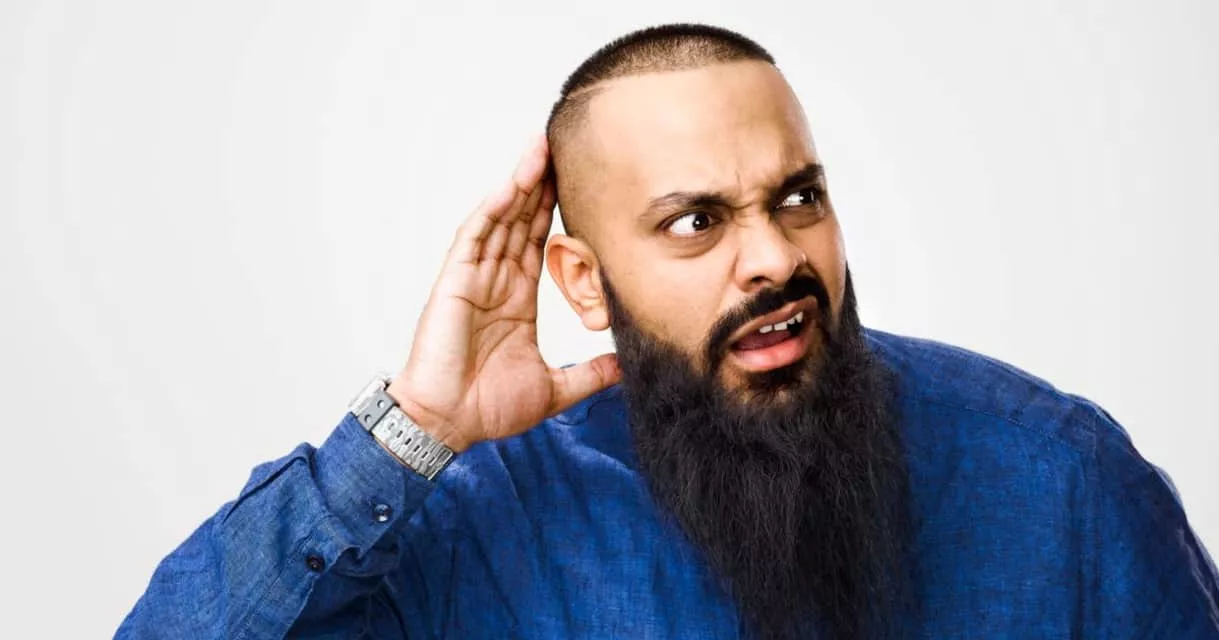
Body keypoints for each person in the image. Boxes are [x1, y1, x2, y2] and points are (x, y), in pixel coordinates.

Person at [117, 23, 1218, 639]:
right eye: (696, 221)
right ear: (584, 284)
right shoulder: (480, 522)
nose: (774, 256)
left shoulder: (1059, 480)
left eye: (797, 198)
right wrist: (410, 427)